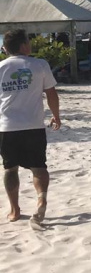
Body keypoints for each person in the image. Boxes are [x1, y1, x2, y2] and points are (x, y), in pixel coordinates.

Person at [0, 29, 61, 227]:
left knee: (10, 168)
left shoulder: (1, 67)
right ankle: (41, 199)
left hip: (7, 126)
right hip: (34, 125)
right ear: (24, 45)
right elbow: (51, 94)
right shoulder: (39, 65)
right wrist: (56, 116)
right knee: (39, 166)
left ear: (5, 48)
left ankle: (15, 210)